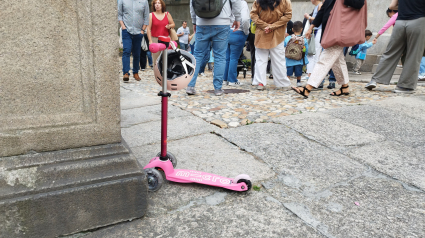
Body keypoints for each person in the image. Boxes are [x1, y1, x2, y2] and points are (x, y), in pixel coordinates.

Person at [292, 0, 366, 98]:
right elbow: (323, 10)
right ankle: (345, 87)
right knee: (338, 61)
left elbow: (359, 3)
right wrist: (311, 27)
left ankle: (308, 88)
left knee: (325, 59)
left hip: (340, 31)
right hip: (331, 31)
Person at [366, 0, 425, 93]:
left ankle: (375, 80)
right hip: (418, 21)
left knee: (390, 52)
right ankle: (405, 86)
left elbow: (392, 6)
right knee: (413, 55)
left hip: (400, 22)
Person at [186, 0, 241, 96]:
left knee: (198, 55)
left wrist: (194, 21)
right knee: (220, 56)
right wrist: (237, 18)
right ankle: (218, 89)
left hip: (201, 22)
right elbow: (235, 1)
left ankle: (190, 86)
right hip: (222, 22)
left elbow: (192, 2)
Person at [250, 0, 292, 91]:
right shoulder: (285, 1)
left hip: (263, 32)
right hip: (277, 32)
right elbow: (288, 15)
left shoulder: (257, 1)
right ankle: (282, 83)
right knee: (278, 59)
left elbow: (253, 14)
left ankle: (260, 82)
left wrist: (265, 26)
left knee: (261, 59)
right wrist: (271, 26)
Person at [118, 0, 149, 82]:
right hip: (126, 31)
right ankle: (126, 73)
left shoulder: (144, 1)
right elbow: (119, 15)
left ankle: (135, 72)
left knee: (137, 53)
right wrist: (123, 27)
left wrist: (143, 30)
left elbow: (146, 17)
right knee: (126, 51)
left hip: (139, 32)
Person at [223, 0, 250, 86]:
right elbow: (245, 19)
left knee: (227, 58)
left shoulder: (227, 2)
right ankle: (232, 80)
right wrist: (246, 32)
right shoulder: (242, 3)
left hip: (226, 31)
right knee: (234, 58)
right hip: (238, 31)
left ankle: (224, 79)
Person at [147, 0, 175, 66]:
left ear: (162, 5)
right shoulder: (151, 15)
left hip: (166, 40)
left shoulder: (167, 14)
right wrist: (150, 41)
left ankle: (166, 75)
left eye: (159, 3)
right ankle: (157, 76)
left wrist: (169, 26)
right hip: (155, 39)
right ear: (153, 5)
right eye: (155, 3)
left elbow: (173, 24)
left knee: (167, 60)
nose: (157, 5)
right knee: (156, 61)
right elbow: (148, 29)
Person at [303, 0, 323, 81]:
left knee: (316, 53)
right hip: (315, 31)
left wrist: (309, 17)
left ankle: (314, 75)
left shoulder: (320, 5)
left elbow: (320, 18)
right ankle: (310, 73)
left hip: (318, 30)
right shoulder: (316, 7)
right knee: (310, 53)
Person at [284, 21, 309, 87]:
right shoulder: (304, 39)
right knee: (299, 71)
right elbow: (306, 50)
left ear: (292, 29)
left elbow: (284, 46)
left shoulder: (288, 38)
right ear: (301, 29)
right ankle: (298, 82)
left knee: (288, 72)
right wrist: (304, 56)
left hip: (289, 59)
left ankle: (287, 81)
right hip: (299, 60)